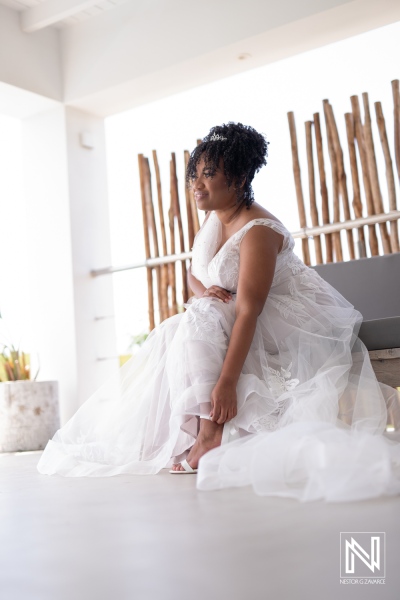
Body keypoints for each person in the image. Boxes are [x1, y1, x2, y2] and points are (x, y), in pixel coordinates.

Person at [37, 122, 400, 502]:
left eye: (208, 174)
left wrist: (225, 385)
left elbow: (248, 311)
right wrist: (204, 291)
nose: (197, 184)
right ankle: (187, 434)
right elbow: (194, 275)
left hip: (286, 322)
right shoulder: (214, 219)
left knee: (199, 317)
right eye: (194, 175)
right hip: (232, 313)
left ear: (240, 177)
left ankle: (210, 433)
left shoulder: (258, 230)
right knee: (179, 324)